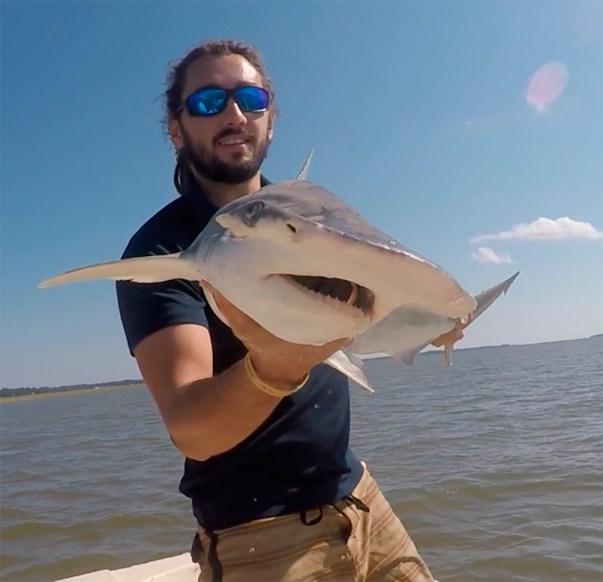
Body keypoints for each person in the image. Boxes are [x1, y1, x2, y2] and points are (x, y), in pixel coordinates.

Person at [116, 38, 458, 582]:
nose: (233, 114)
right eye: (207, 102)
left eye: (250, 98)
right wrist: (274, 366)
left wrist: (429, 318)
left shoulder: (318, 214)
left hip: (362, 499)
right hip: (261, 539)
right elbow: (192, 430)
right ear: (175, 129)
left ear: (271, 119)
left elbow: (372, 298)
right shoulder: (161, 253)